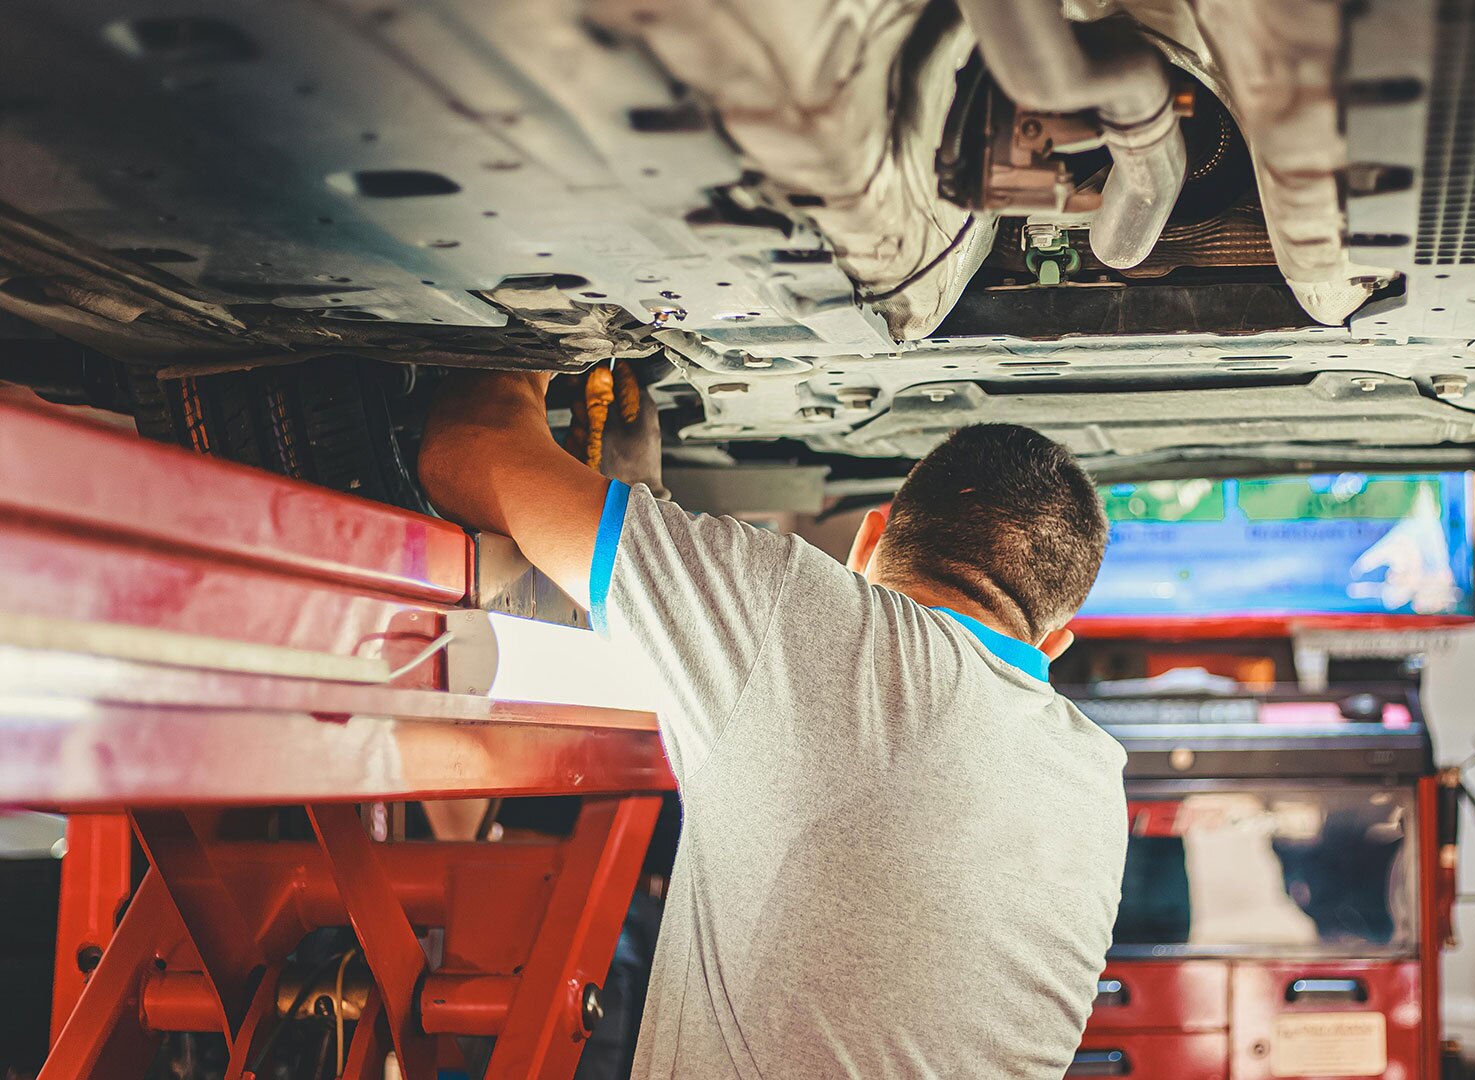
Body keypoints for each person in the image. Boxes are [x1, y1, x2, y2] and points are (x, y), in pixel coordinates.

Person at [418, 370, 1129, 1080]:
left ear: (866, 539)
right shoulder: (1098, 788)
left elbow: (467, 450)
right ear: (1052, 645)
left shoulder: (813, 621)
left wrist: (538, 351)